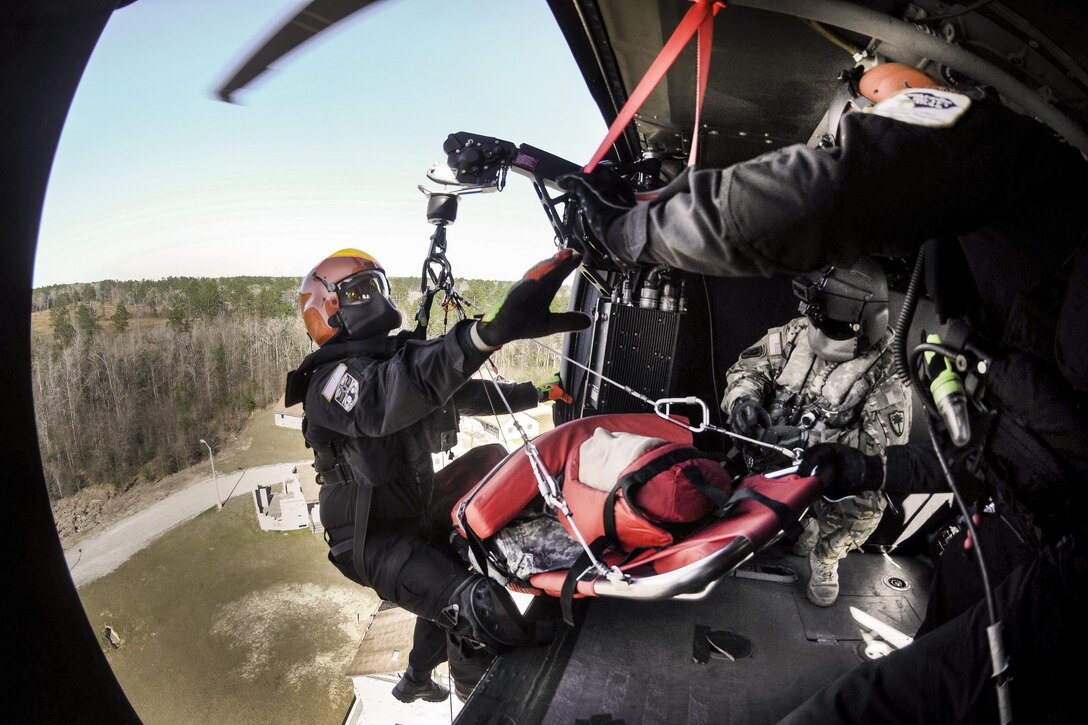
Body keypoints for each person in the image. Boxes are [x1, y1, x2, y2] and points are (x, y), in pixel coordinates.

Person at [560, 61, 1087, 723]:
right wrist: (792, 430)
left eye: (876, 123)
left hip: (1047, 541)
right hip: (995, 526)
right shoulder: (817, 330)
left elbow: (829, 193)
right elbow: (982, 449)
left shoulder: (1002, 156)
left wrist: (630, 231)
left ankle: (821, 554)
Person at [283, 248, 588, 704]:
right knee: (477, 607)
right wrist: (483, 336)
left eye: (380, 286)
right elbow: (387, 398)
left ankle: (415, 678)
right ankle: (491, 698)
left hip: (417, 514)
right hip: (371, 540)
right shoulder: (329, 383)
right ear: (329, 312)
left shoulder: (391, 363)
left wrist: (539, 391)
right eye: (361, 290)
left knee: (490, 462)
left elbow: (461, 393)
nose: (377, 298)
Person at [723, 257, 910, 606]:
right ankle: (787, 524)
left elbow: (882, 452)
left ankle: (825, 555)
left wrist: (811, 442)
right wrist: (743, 403)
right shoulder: (797, 333)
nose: (821, 330)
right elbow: (746, 369)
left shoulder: (887, 369)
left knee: (869, 498)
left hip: (828, 475)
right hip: (766, 457)